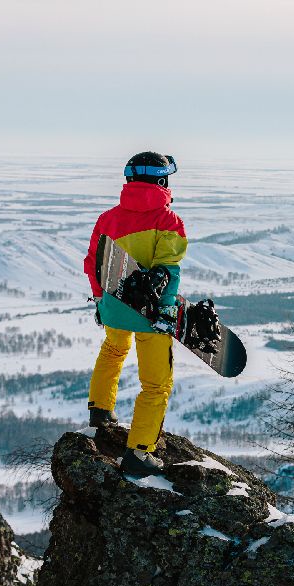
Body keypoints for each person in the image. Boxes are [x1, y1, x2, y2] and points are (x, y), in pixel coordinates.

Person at [83, 152, 188, 476]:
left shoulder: (107, 219)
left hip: (114, 308)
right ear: (162, 181)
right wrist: (166, 312)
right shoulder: (168, 221)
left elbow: (92, 264)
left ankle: (100, 411)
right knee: (156, 384)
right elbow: (168, 272)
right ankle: (139, 452)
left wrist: (101, 302)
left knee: (113, 350)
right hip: (149, 314)